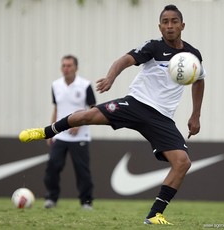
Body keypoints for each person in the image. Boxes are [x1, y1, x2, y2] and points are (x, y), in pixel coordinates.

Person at [19, 5, 205, 225]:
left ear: (182, 25)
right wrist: (110, 77)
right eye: (165, 21)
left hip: (162, 118)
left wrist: (195, 115)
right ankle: (44, 131)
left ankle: (155, 214)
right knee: (86, 116)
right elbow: (123, 60)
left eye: (174, 21)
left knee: (182, 162)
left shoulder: (192, 55)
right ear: (160, 26)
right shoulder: (153, 47)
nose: (170, 25)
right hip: (135, 104)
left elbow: (199, 80)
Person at [43, 55, 96, 210]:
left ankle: (86, 202)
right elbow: (57, 109)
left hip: (80, 136)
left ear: (76, 68)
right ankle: (51, 198)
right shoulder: (56, 85)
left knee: (82, 170)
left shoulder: (85, 85)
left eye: (69, 65)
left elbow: (93, 108)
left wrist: (79, 124)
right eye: (64, 65)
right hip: (60, 135)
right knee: (52, 166)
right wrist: (50, 131)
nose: (66, 68)